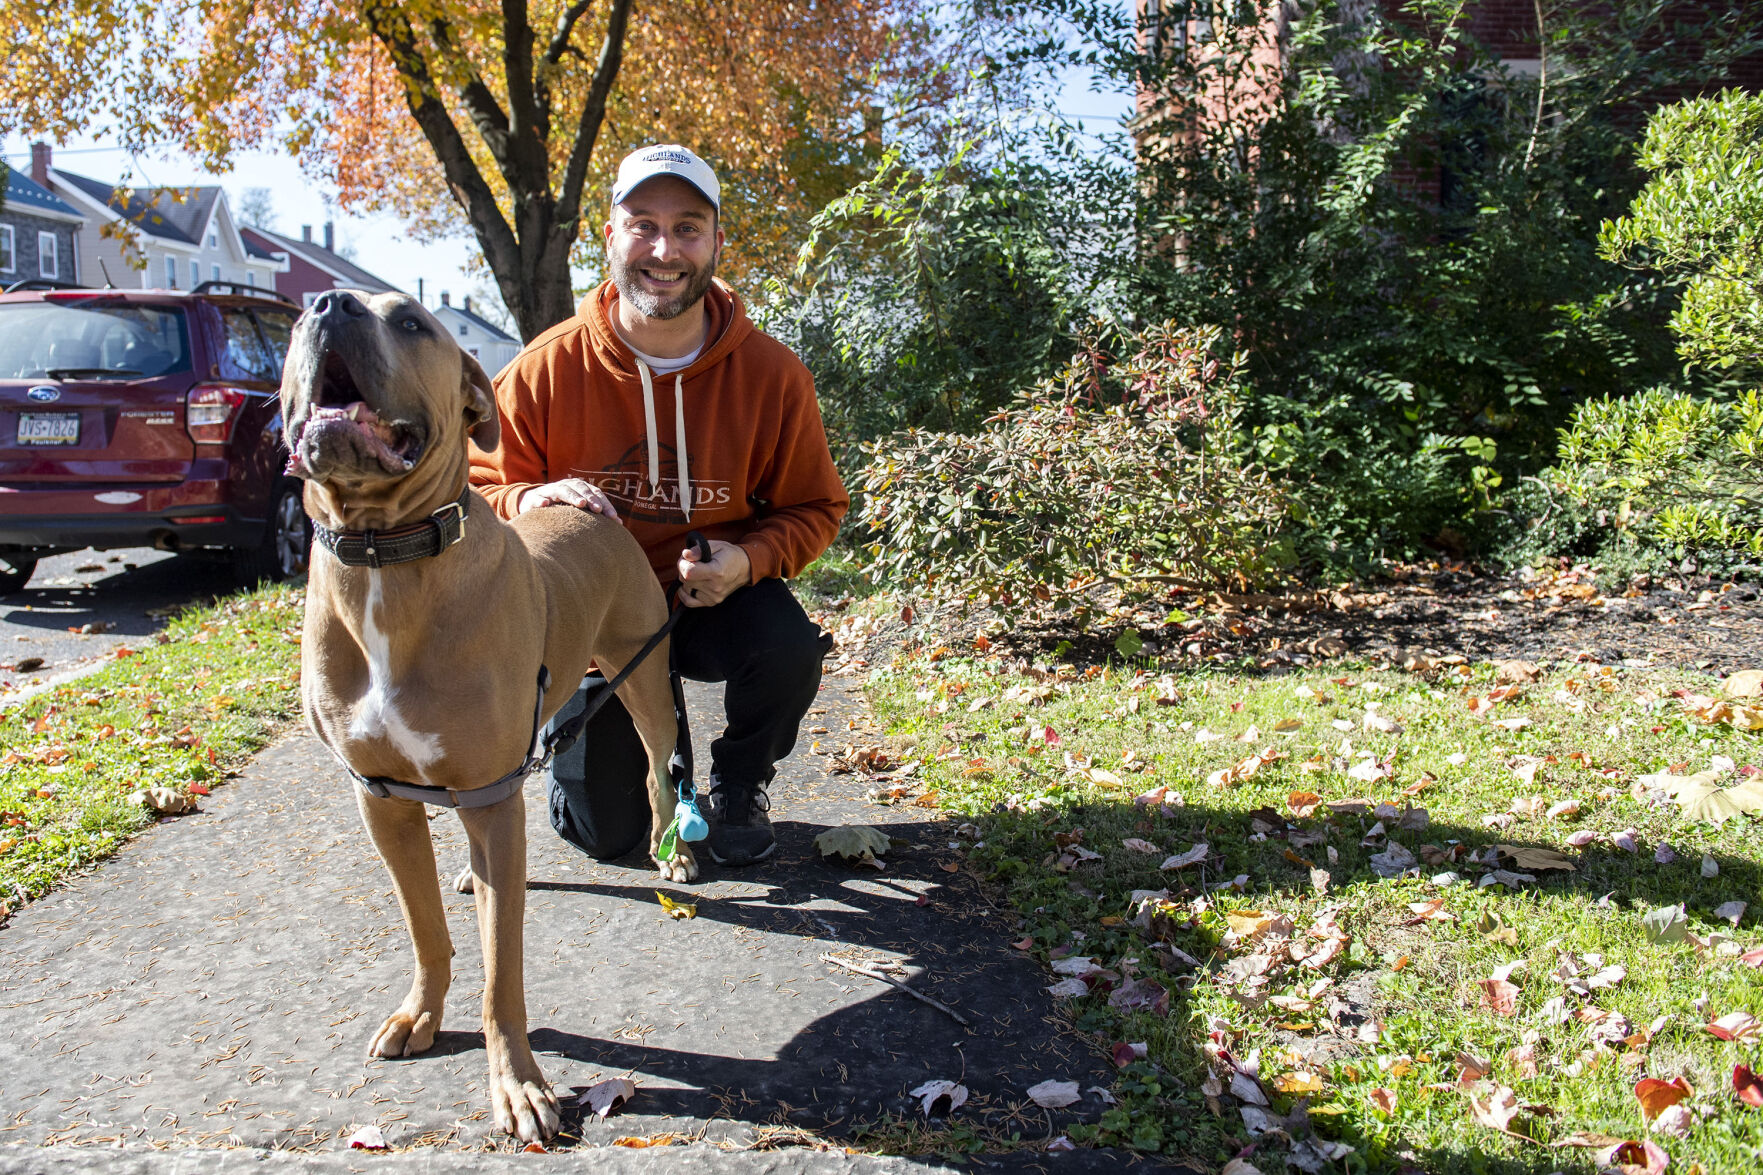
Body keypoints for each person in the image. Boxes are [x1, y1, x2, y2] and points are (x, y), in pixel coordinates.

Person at [469, 144, 848, 867]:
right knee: (609, 838)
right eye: (642, 224)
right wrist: (527, 495)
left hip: (702, 602)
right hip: (592, 625)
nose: (664, 249)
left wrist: (747, 559)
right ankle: (581, 772)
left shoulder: (771, 375)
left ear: (715, 242)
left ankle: (738, 785)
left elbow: (816, 506)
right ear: (608, 236)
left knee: (788, 647)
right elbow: (472, 490)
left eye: (687, 227)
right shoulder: (545, 367)